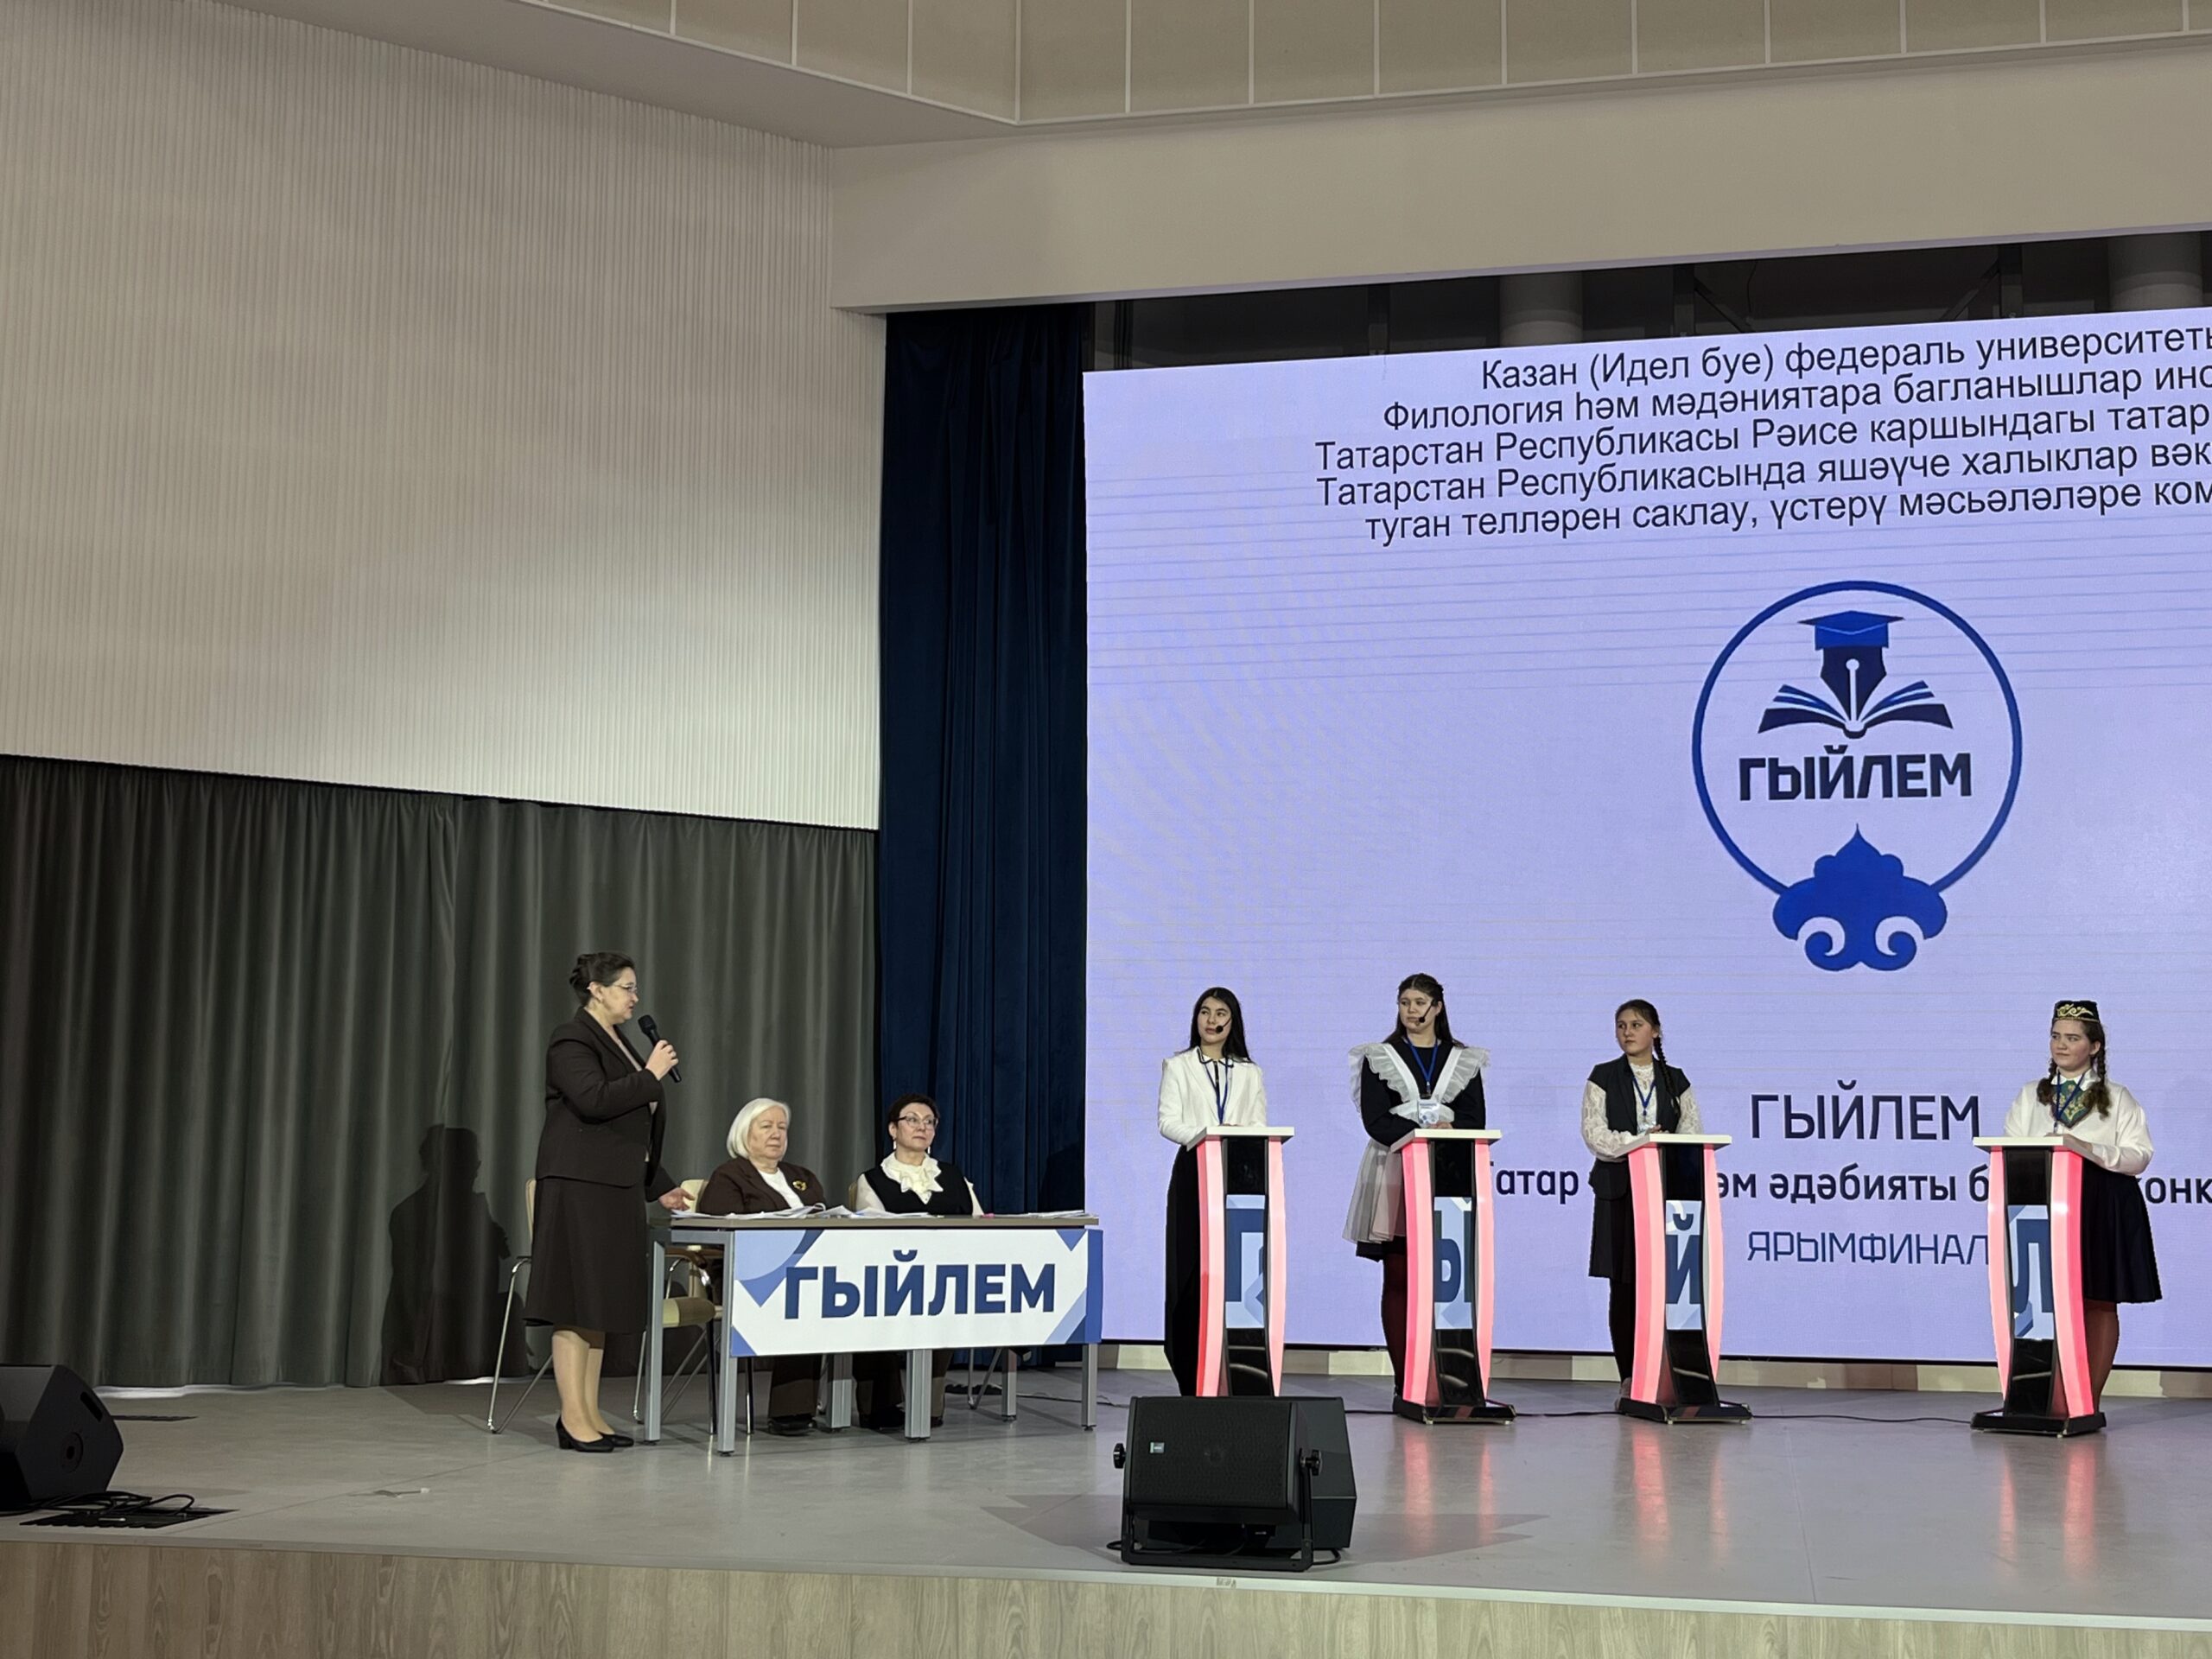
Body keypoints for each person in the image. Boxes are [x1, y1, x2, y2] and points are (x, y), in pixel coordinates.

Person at [526, 952, 690, 1453]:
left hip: (614, 1186)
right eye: (626, 987)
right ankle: (571, 1418)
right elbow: (594, 1099)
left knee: (597, 1305)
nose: (635, 998)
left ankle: (590, 1413)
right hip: (579, 1185)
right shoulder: (571, 1038)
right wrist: (651, 1074)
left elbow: (629, 1125)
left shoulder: (617, 1040)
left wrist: (658, 1183)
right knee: (575, 1304)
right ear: (597, 990)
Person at [2002, 999, 2158, 1410]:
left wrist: (2086, 1149)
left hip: (2101, 1201)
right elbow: (2010, 1148)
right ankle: (2044, 1398)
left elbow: (2139, 1154)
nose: (2061, 1045)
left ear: (2095, 1046)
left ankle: (2087, 1400)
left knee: (2098, 1299)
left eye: (2072, 1038)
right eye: (2056, 1036)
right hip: (2041, 1203)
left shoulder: (2117, 1097)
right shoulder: (2031, 1096)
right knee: (2040, 1300)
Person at [1342, 974, 1485, 1395]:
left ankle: (1449, 1376)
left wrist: (1449, 1127)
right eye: (1405, 1002)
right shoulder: (1379, 1056)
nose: (1412, 1010)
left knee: (1448, 1277)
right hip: (1396, 1169)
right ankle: (1405, 1379)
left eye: (1420, 1002)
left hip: (1449, 1171)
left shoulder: (1462, 1059)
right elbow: (1376, 1120)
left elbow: (1475, 1118)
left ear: (1437, 1007)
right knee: (1400, 1274)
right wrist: (1418, 1134)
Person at [1581, 998, 1700, 1387]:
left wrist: (1664, 1147)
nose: (1627, 1032)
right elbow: (1595, 1134)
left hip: (1667, 1194)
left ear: (1655, 1031)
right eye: (1621, 1025)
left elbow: (1692, 1132)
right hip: (1619, 1192)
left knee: (1670, 1283)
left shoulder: (1676, 1080)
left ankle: (1672, 1371)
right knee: (1624, 1285)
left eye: (1636, 1025)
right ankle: (1630, 1376)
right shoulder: (1602, 1076)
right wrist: (1640, 1142)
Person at [1157, 988, 1269, 1396]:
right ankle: (1190, 1374)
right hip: (1194, 1170)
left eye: (1220, 1013)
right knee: (1191, 1271)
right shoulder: (1179, 1066)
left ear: (1232, 1021)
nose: (1211, 1020)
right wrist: (1207, 1136)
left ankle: (1237, 1372)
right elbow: (1167, 1121)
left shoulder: (1250, 1072)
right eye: (1204, 1012)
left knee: (1239, 1273)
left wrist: (1235, 1138)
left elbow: (1258, 1123)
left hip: (1240, 1174)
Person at [696, 1097, 828, 1434]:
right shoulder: (729, 1176)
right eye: (766, 1126)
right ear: (745, 1133)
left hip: (808, 1271)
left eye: (782, 1128)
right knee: (805, 1298)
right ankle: (790, 1410)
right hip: (745, 1274)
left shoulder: (801, 1176)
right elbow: (718, 1237)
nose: (776, 1134)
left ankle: (877, 1407)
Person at [851, 1093, 982, 1427]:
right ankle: (880, 1405)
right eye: (912, 1120)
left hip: (947, 1273)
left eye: (929, 1122)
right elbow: (871, 1235)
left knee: (947, 1299)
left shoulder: (953, 1176)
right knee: (876, 1302)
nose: (922, 1127)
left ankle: (929, 1405)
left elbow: (980, 1224)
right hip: (891, 1274)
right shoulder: (872, 1179)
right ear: (893, 1130)